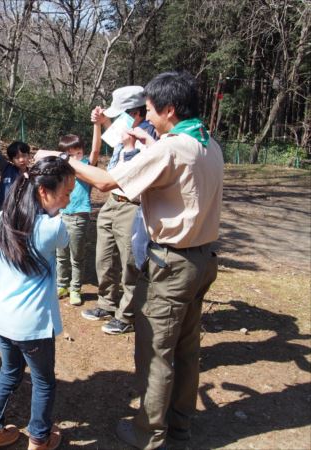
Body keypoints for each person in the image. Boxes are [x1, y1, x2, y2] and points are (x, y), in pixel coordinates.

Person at [36, 71, 223, 450]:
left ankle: (148, 433)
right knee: (187, 350)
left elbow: (105, 182)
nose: (146, 117)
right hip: (202, 260)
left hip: (172, 265)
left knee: (155, 352)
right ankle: (181, 426)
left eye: (151, 110)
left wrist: (61, 160)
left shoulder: (170, 149)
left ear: (169, 109)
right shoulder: (207, 143)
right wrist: (147, 141)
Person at [0, 156, 75, 450]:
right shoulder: (53, 228)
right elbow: (65, 241)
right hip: (33, 326)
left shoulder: (0, 219)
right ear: (44, 191)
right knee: (43, 382)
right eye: (66, 192)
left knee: (9, 372)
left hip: (3, 320)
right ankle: (39, 440)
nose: (68, 200)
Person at [81, 86, 157, 335]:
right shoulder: (126, 130)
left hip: (131, 205)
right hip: (112, 201)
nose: (116, 120)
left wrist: (130, 145)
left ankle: (127, 314)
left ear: (135, 113)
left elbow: (137, 173)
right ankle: (106, 302)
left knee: (129, 262)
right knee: (104, 257)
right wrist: (100, 123)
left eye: (120, 114)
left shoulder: (149, 135)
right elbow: (104, 143)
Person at [55, 133, 100, 306]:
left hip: (79, 217)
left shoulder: (86, 166)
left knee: (76, 257)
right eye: (70, 154)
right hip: (61, 216)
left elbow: (96, 150)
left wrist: (96, 125)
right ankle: (62, 285)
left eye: (78, 152)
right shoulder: (61, 169)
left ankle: (75, 289)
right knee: (61, 255)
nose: (75, 157)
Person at [0, 131, 30, 214]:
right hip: (1, 212)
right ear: (12, 160)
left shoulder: (33, 175)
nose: (21, 160)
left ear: (29, 156)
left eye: (24, 156)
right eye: (17, 157)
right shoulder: (6, 168)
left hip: (19, 215)